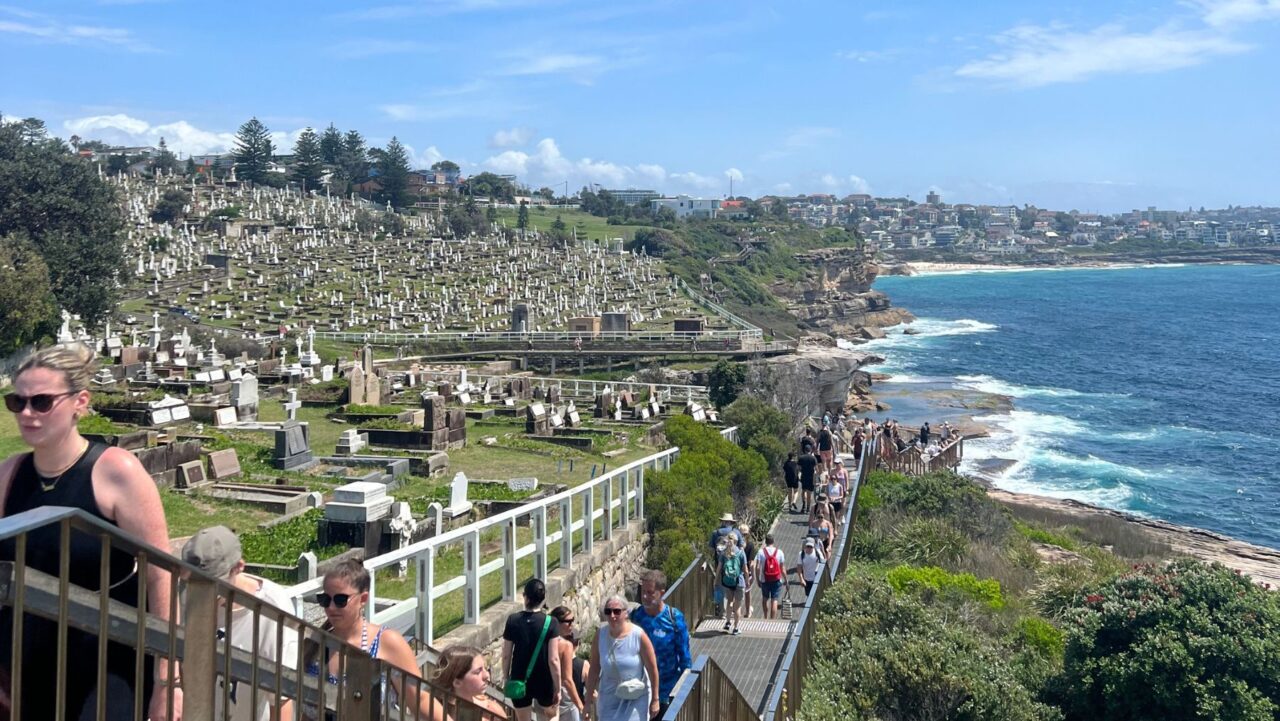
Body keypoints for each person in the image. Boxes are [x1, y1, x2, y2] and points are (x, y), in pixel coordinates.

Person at [0, 344, 181, 721]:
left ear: (80, 402)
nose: (27, 413)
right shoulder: (9, 474)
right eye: (18, 402)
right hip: (27, 659)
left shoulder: (117, 472)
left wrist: (168, 679)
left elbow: (160, 574)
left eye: (42, 402)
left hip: (106, 659)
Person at [182, 526, 298, 721]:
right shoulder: (186, 596)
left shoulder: (273, 610)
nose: (202, 592)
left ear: (239, 567)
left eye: (212, 585)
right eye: (194, 584)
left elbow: (281, 700)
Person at [303, 559, 432, 720]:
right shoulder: (315, 644)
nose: (331, 607)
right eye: (325, 599)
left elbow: (420, 700)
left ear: (363, 599)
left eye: (340, 600)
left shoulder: (387, 642)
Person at [584, 595, 660, 721]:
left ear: (626, 613)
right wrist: (587, 702)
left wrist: (655, 699)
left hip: (635, 697)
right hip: (609, 699)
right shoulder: (600, 635)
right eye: (608, 611)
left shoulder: (638, 635)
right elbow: (594, 670)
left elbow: (652, 669)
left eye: (617, 611)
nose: (612, 616)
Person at [628, 570, 690, 719]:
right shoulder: (636, 617)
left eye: (650, 593)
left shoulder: (674, 618)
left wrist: (685, 692)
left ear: (662, 593)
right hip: (640, 692)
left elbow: (685, 659)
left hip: (666, 694)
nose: (644, 597)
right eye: (643, 592)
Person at [502, 579, 561, 721]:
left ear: (525, 597)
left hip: (519, 678)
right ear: (543, 599)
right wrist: (558, 687)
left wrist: (506, 676)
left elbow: (506, 655)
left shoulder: (513, 620)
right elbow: (553, 659)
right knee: (551, 716)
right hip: (544, 680)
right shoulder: (551, 622)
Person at [433, 645, 509, 720]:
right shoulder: (435, 710)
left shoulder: (491, 709)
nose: (487, 675)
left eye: (485, 668)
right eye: (478, 672)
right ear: (457, 682)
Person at [550, 606, 587, 721]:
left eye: (573, 620)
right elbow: (567, 680)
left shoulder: (544, 642)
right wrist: (580, 706)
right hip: (565, 700)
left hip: (545, 697)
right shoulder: (566, 645)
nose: (572, 625)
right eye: (568, 621)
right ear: (557, 623)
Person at [707, 513, 744, 617]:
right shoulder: (736, 532)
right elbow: (741, 548)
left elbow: (711, 550)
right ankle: (733, 610)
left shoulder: (715, 533)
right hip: (735, 566)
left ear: (723, 522)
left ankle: (723, 612)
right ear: (731, 522)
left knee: (721, 588)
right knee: (733, 587)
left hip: (720, 565)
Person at [715, 535, 747, 636]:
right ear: (736, 541)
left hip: (728, 581)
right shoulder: (741, 553)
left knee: (729, 601)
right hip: (739, 581)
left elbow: (719, 568)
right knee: (737, 606)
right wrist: (747, 581)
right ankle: (736, 628)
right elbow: (745, 569)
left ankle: (728, 622)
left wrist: (715, 580)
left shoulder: (724, 553)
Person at [755, 535, 786, 619]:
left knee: (765, 598)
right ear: (773, 541)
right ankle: (772, 620)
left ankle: (765, 617)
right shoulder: (779, 552)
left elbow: (757, 567)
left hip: (765, 579)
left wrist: (757, 579)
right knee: (774, 600)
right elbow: (782, 568)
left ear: (765, 542)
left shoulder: (761, 552)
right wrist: (786, 580)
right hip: (776, 579)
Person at [737, 524, 756, 619]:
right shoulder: (750, 545)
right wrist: (753, 575)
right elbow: (751, 562)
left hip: (736, 572)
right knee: (747, 593)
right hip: (746, 573)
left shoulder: (736, 545)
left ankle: (737, 612)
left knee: (736, 594)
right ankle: (748, 612)